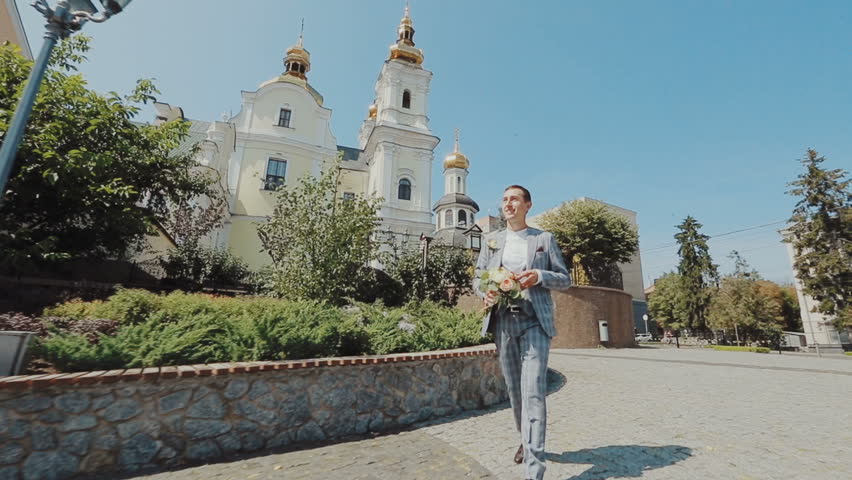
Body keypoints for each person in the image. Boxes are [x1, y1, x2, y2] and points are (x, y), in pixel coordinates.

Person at [473, 185, 571, 480]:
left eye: (514, 199)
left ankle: (534, 470)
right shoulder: (491, 240)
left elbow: (565, 279)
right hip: (502, 323)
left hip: (535, 323)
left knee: (533, 394)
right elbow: (478, 278)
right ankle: (525, 439)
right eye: (504, 199)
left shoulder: (543, 239)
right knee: (515, 393)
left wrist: (539, 276)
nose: (508, 204)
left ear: (527, 205)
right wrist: (485, 293)